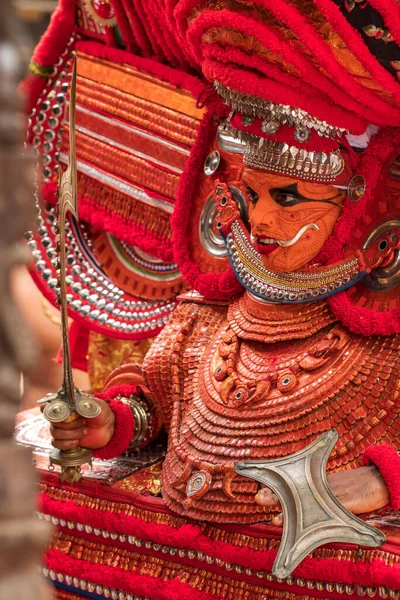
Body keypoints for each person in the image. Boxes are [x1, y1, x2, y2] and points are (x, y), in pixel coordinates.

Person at [27, 0, 400, 597]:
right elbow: (157, 398)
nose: (261, 223)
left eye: (290, 196)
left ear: (357, 205)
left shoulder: (387, 341)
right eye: (249, 195)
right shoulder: (205, 316)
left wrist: (382, 481)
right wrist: (112, 421)